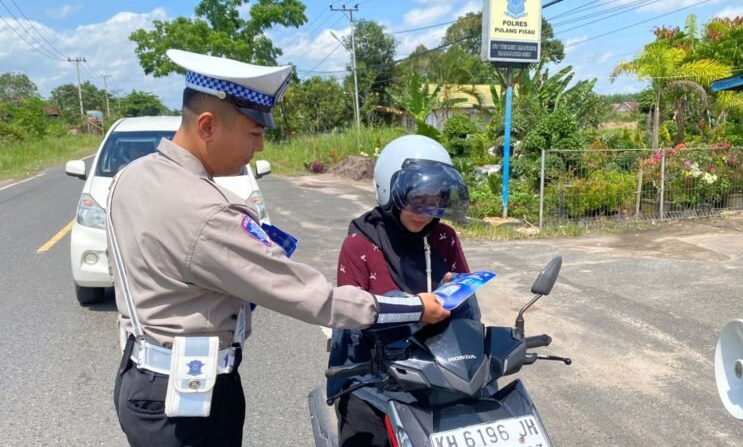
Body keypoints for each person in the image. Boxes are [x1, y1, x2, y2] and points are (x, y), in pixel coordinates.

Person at [108, 50, 450, 447]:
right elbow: (315, 300)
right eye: (254, 133)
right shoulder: (204, 212)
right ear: (207, 125)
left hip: (143, 380)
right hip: (185, 404)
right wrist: (415, 307)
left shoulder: (133, 176)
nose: (259, 148)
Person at [326, 135, 481, 446]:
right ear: (390, 190)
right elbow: (352, 315)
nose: (425, 212)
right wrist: (407, 307)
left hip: (439, 373)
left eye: (435, 200)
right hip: (374, 379)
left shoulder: (444, 237)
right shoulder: (360, 243)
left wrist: (457, 291)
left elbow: (468, 301)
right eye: (415, 200)